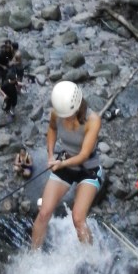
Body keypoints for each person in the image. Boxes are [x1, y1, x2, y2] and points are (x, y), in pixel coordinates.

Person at [32, 81, 103, 247]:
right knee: (44, 213)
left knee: (78, 218)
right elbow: (52, 129)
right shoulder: (58, 113)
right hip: (65, 161)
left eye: (67, 115)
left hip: (89, 168)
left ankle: (90, 257)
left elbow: (84, 155)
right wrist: (50, 155)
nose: (63, 118)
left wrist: (60, 164)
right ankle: (33, 256)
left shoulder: (93, 120)